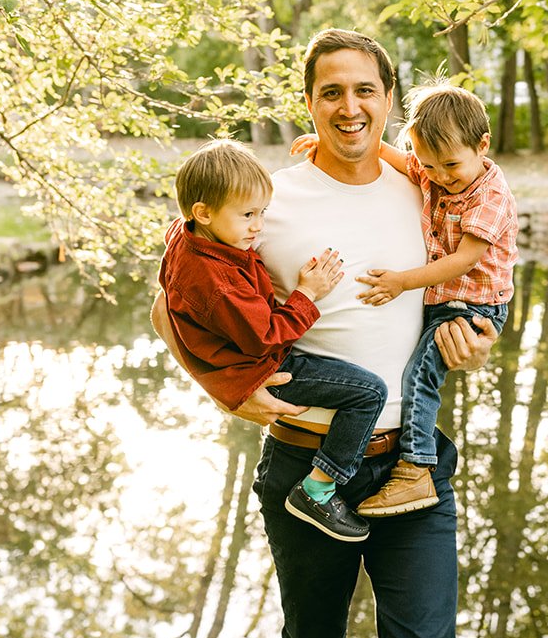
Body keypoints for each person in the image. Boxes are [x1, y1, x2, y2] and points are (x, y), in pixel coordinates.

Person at [151, 28, 497, 638]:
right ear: (307, 101)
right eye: (331, 91)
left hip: (411, 467)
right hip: (303, 465)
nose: (350, 107)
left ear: (392, 98)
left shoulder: (421, 183)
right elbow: (171, 302)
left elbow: (480, 268)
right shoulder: (263, 196)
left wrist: (473, 334)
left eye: (366, 91)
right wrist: (227, 391)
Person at [291, 83, 517, 520]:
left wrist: (401, 282)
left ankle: (416, 467)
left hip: (473, 305)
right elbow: (399, 159)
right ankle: (413, 464)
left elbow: (463, 260)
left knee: (419, 377)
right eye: (430, 166)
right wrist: (331, 142)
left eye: (450, 165)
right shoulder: (434, 169)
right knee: (420, 371)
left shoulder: (489, 196)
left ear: (482, 145)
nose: (439, 176)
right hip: (447, 301)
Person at [158, 139, 388, 543]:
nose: (258, 226)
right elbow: (264, 337)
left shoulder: (188, 234)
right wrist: (307, 293)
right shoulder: (218, 284)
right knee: (369, 392)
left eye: (263, 213)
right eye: (248, 215)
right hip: (265, 367)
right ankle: (318, 489)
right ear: (203, 212)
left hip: (256, 354)